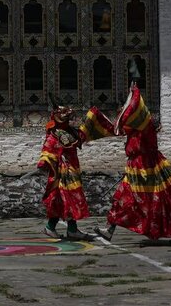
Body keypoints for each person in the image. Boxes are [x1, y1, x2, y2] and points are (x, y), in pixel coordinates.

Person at [94, 84, 171, 245]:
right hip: (137, 167)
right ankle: (109, 229)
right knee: (122, 198)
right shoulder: (136, 128)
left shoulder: (144, 127)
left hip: (147, 168)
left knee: (162, 200)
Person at [37, 95, 114, 241]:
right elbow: (48, 150)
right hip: (64, 173)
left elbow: (82, 135)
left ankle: (51, 227)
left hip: (72, 169)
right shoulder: (54, 134)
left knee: (62, 201)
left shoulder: (71, 132)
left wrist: (92, 118)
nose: (70, 119)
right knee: (69, 199)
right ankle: (71, 230)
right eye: (67, 117)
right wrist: (44, 162)